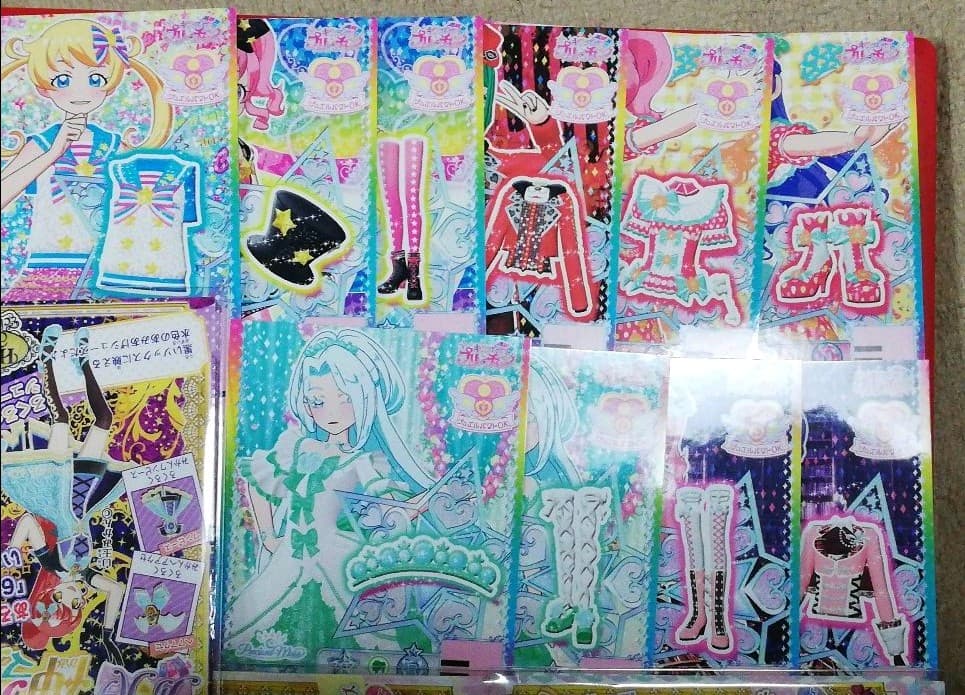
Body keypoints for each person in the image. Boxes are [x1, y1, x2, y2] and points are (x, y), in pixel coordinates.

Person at [225, 328, 433, 651]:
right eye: (319, 401)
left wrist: (421, 503)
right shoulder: (295, 446)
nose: (332, 413)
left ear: (364, 401)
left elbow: (387, 505)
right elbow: (257, 483)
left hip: (334, 556)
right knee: (251, 623)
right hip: (287, 556)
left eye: (346, 400)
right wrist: (268, 536)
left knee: (351, 630)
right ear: (307, 404)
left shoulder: (362, 461)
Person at [0, 18, 171, 290]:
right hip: (48, 264)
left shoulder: (113, 145)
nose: (80, 91)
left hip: (105, 265)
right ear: (44, 87)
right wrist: (53, 153)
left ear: (110, 85)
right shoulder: (43, 144)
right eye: (63, 79)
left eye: (95, 79)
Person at [4, 324, 129, 661]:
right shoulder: (84, 574)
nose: (78, 600)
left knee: (59, 419)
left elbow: (28, 522)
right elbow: (116, 589)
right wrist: (107, 635)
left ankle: (45, 359)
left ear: (54, 596)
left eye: (70, 603)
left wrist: (13, 552)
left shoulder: (52, 564)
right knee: (103, 419)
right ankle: (83, 358)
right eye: (78, 606)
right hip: (84, 489)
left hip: (56, 485)